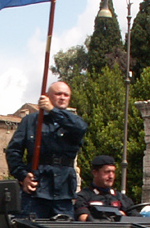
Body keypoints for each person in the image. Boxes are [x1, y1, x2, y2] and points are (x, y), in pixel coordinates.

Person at [5, 81, 88, 218]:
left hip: (63, 192)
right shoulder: (31, 121)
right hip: (36, 189)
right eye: (58, 94)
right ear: (47, 96)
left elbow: (81, 128)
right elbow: (13, 151)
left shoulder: (74, 122)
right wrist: (23, 176)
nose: (62, 97)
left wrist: (53, 111)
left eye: (66, 95)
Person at [74, 155, 134, 221]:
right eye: (107, 172)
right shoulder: (83, 197)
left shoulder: (121, 198)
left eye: (113, 172)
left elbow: (136, 218)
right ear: (95, 173)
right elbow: (83, 218)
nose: (111, 176)